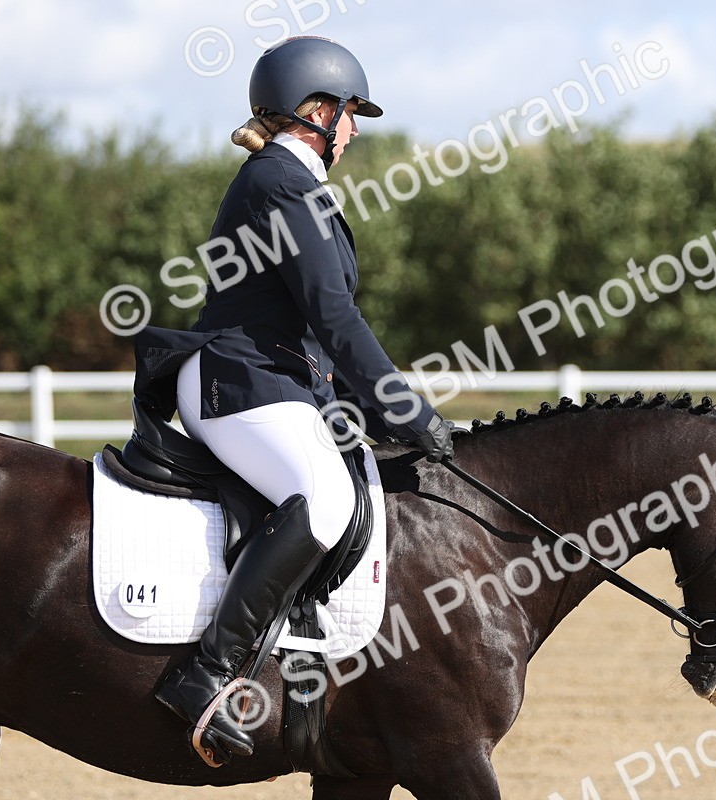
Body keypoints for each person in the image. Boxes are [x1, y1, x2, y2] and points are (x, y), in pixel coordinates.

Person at [136, 36, 453, 764]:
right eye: (351, 115)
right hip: (237, 381)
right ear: (318, 110)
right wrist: (406, 409)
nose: (356, 131)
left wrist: (378, 414)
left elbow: (315, 326)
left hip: (272, 379)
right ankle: (207, 673)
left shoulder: (292, 182)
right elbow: (335, 315)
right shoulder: (279, 180)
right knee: (324, 499)